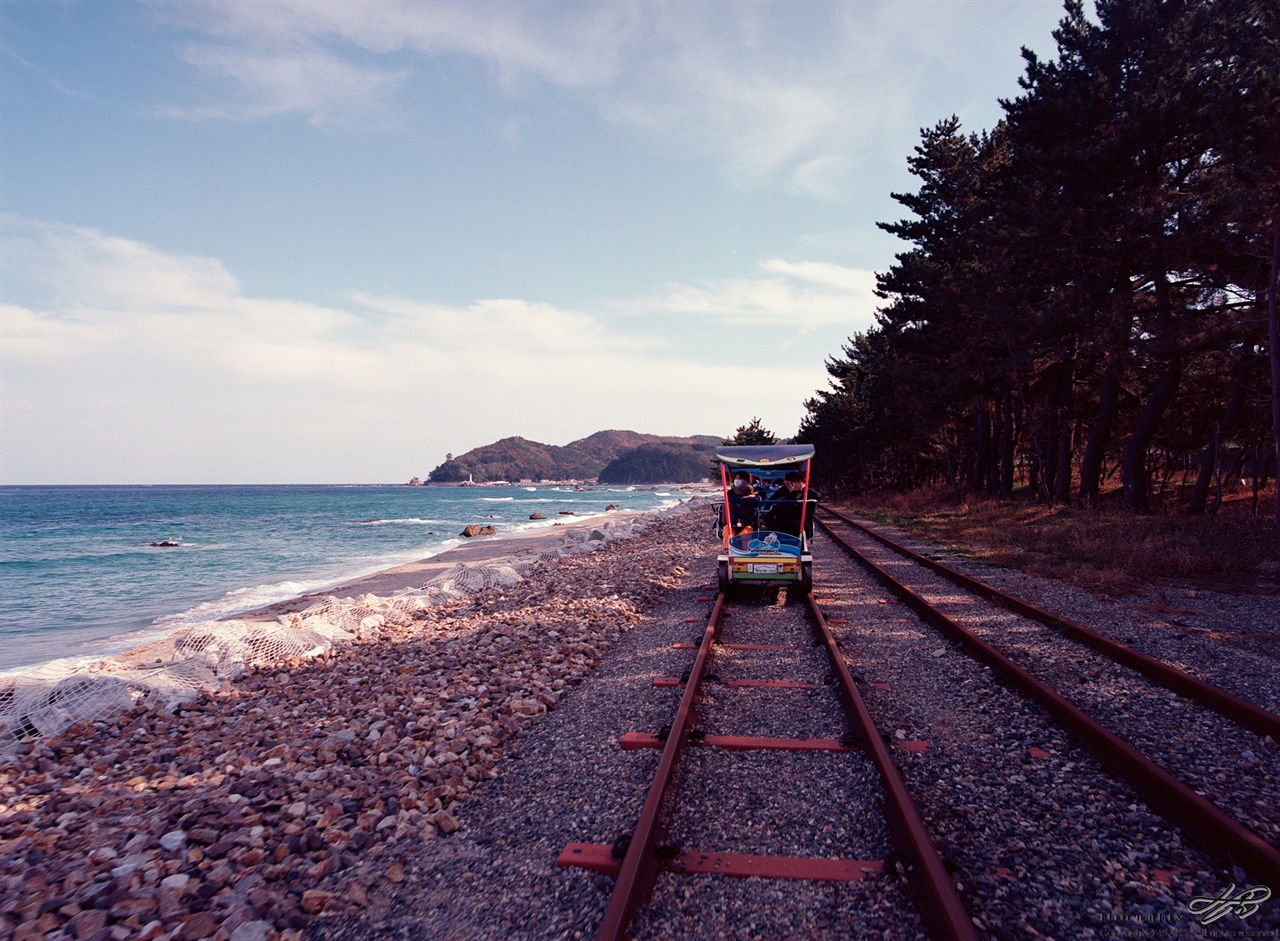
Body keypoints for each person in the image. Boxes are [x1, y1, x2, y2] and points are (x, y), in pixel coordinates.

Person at [763, 471, 816, 536]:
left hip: (799, 520)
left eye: (798, 483)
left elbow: (817, 496)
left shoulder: (808, 493)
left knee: (793, 524)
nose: (795, 485)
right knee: (772, 517)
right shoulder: (789, 492)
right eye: (794, 482)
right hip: (788, 518)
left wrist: (804, 489)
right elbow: (779, 503)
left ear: (803, 483)